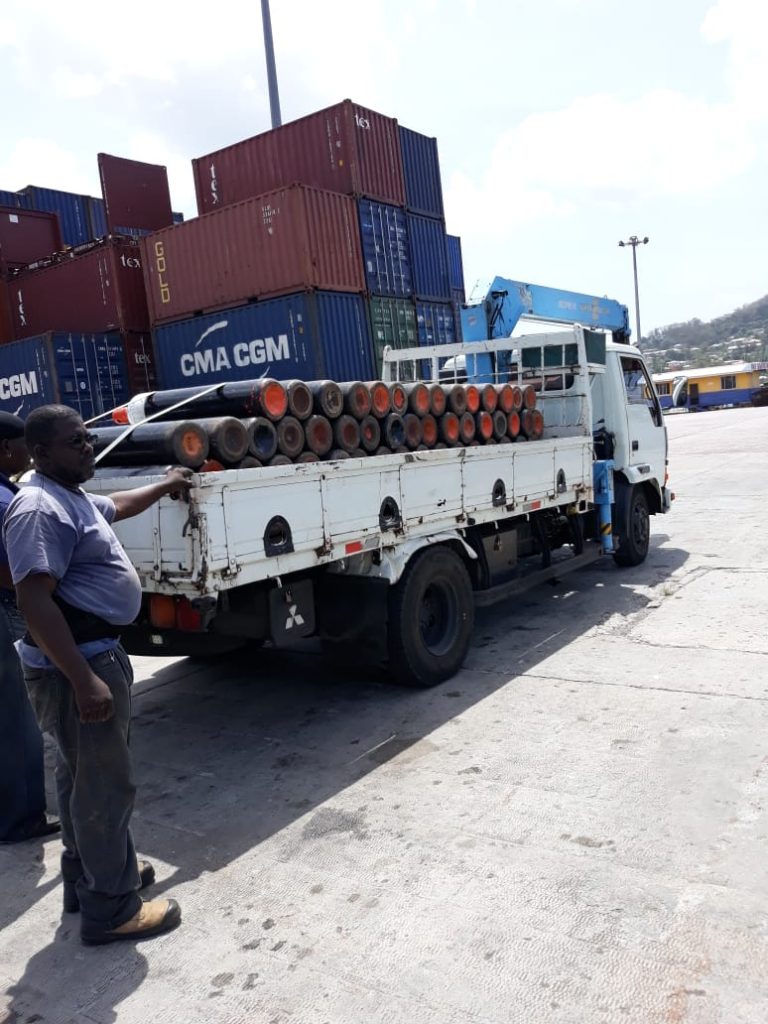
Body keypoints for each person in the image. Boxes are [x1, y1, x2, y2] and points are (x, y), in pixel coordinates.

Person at [3, 404, 193, 945]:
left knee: (77, 775)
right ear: (39, 453)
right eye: (74, 442)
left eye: (88, 438)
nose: (88, 448)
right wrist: (84, 679)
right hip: (78, 664)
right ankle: (111, 908)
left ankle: (88, 878)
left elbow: (121, 504)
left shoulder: (72, 494)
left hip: (89, 654)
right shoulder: (38, 509)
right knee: (104, 786)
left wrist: (166, 483)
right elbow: (34, 601)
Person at [0, 411, 61, 845]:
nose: (27, 451)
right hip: (6, 615)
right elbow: (9, 570)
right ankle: (21, 818)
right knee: (18, 717)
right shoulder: (6, 501)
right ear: (6, 449)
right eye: (22, 443)